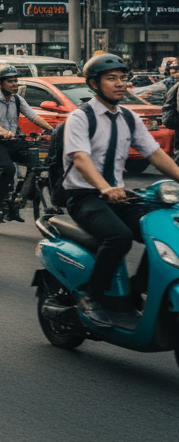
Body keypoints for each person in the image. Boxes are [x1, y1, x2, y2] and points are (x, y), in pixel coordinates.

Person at [62, 54, 179, 327]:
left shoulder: (129, 117)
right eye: (111, 79)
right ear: (94, 83)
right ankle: (91, 296)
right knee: (119, 237)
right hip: (85, 197)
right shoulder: (81, 117)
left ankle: (136, 288)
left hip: (118, 195)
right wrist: (104, 187)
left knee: (162, 232)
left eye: (123, 79)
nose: (120, 84)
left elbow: (155, 154)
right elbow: (80, 158)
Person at [0, 65, 54, 221]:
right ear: (0, 83)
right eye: (10, 81)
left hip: (13, 141)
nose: (14, 84)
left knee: (36, 163)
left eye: (15, 81)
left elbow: (34, 117)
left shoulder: (17, 99)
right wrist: (2, 131)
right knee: (8, 169)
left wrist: (53, 130)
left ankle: (18, 197)